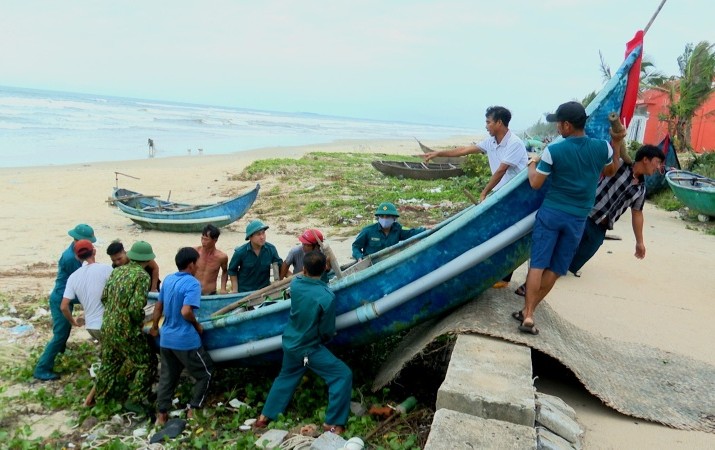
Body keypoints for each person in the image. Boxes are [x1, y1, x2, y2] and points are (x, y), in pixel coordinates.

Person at [517, 101, 620, 335]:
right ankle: (528, 312)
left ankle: (529, 313)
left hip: (552, 213)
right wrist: (616, 144)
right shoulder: (602, 147)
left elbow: (536, 183)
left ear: (566, 125)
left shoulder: (554, 150)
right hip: (578, 218)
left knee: (538, 264)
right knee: (555, 268)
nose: (556, 129)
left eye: (558, 124)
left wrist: (531, 164)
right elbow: (611, 170)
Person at [513, 144, 666, 295]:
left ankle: (535, 290)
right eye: (657, 162)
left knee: (567, 265)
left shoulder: (641, 189)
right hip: (584, 217)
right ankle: (530, 289)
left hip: (600, 230)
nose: (658, 167)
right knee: (558, 255)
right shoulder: (619, 166)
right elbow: (612, 149)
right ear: (645, 159)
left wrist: (639, 242)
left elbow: (637, 213)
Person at [254, 251, 352, 435]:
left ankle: (264, 418)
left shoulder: (296, 283)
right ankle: (333, 423)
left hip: (290, 342)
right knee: (342, 375)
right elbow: (327, 330)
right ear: (324, 269)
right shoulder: (327, 297)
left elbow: (309, 284)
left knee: (287, 376)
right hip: (308, 349)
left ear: (304, 269)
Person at [150, 247, 214, 426]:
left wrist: (155, 327)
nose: (198, 265)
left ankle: (161, 414)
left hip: (166, 338)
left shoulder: (169, 279)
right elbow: (186, 311)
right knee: (205, 372)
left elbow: (158, 307)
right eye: (197, 262)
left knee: (167, 376)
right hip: (185, 340)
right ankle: (194, 409)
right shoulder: (193, 284)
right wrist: (197, 325)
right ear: (191, 264)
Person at [94, 241, 158, 412]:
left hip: (107, 324)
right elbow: (134, 308)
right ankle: (135, 399)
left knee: (109, 363)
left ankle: (101, 399)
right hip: (125, 329)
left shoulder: (117, 272)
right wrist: (140, 319)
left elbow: (104, 298)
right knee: (147, 363)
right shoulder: (142, 276)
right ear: (146, 260)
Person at [423, 105, 528, 203]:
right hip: (501, 192)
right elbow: (463, 150)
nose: (486, 126)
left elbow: (501, 170)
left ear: (499, 122)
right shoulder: (490, 142)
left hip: (517, 192)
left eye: (488, 122)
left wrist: (484, 192)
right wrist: (438, 153)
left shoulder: (514, 143)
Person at [34, 223, 96, 381]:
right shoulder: (70, 258)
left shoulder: (75, 251)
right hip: (62, 297)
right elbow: (82, 279)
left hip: (67, 294)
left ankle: (60, 351)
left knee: (63, 330)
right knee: (60, 334)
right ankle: (42, 368)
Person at [59, 240, 112, 341]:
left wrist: (72, 321)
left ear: (77, 257)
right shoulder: (106, 269)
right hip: (107, 324)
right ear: (94, 252)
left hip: (91, 326)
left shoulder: (73, 277)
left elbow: (63, 306)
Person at [351, 202, 426, 260]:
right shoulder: (368, 230)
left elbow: (411, 233)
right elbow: (356, 246)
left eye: (388, 216)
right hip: (372, 265)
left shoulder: (397, 229)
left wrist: (426, 229)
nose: (385, 219)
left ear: (394, 218)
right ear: (378, 218)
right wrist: (359, 257)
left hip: (389, 262)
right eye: (382, 216)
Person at [228, 220, 283, 293]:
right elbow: (232, 270)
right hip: (244, 292)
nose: (262, 237)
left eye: (263, 233)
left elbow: (280, 265)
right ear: (250, 237)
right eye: (258, 234)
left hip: (264, 291)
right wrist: (235, 290)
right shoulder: (240, 252)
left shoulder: (271, 249)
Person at [194, 224, 229, 295]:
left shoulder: (222, 257)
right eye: (202, 238)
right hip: (194, 292)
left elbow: (225, 272)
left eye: (206, 239)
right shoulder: (194, 252)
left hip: (210, 292)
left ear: (215, 240)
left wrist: (223, 288)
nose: (203, 241)